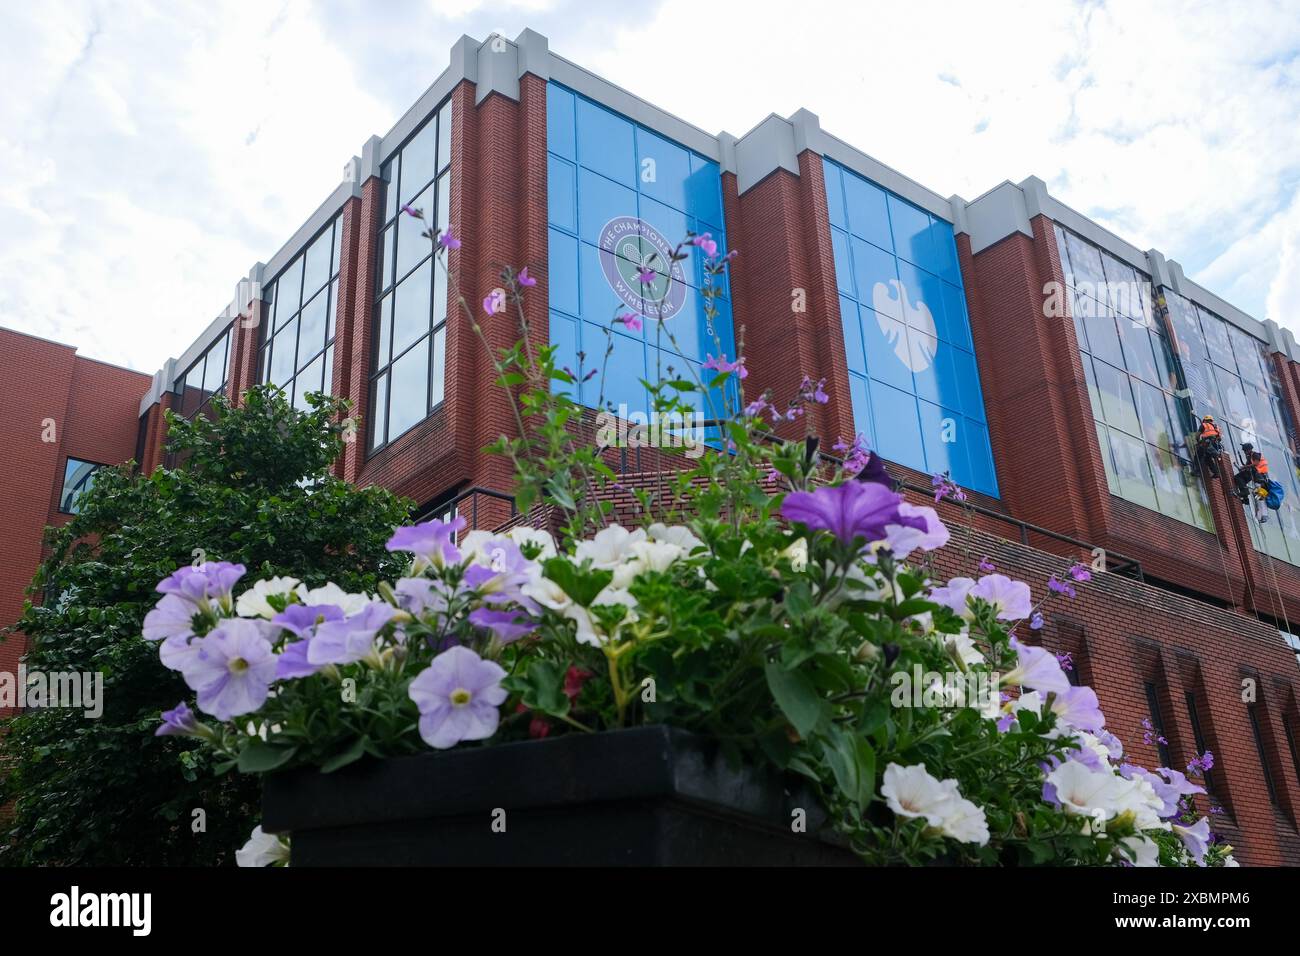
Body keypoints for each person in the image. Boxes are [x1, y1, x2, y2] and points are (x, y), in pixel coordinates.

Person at [1195, 415, 1222, 479]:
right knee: (1208, 459)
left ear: (1205, 420)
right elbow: (1220, 438)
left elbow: (1197, 436)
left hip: (1207, 442)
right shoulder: (1216, 427)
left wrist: (1198, 442)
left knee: (1198, 456)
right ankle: (1216, 473)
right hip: (1215, 443)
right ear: (1211, 420)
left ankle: (1197, 471)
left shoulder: (1204, 425)